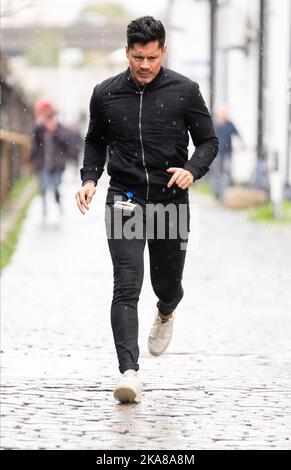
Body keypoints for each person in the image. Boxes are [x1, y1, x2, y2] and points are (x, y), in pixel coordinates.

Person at [75, 16, 219, 404]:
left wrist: (191, 170)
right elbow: (95, 141)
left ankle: (167, 310)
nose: (143, 65)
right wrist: (90, 178)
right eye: (137, 57)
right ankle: (129, 373)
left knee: (166, 284)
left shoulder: (185, 91)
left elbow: (208, 142)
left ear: (163, 52)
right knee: (126, 284)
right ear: (126, 52)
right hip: (125, 198)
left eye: (151, 58)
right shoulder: (104, 93)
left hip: (170, 199)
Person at [30, 101, 69, 218]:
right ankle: (44, 209)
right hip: (42, 164)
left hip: (57, 164)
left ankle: (58, 201)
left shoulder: (59, 125)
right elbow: (34, 145)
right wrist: (31, 160)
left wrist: (55, 131)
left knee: (56, 187)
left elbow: (66, 144)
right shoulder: (38, 127)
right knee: (42, 188)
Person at [211, 107, 241, 199]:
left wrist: (242, 144)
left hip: (227, 153)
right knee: (217, 173)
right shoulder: (215, 124)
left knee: (226, 173)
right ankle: (217, 194)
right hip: (217, 153)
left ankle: (224, 194)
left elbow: (237, 134)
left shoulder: (229, 124)